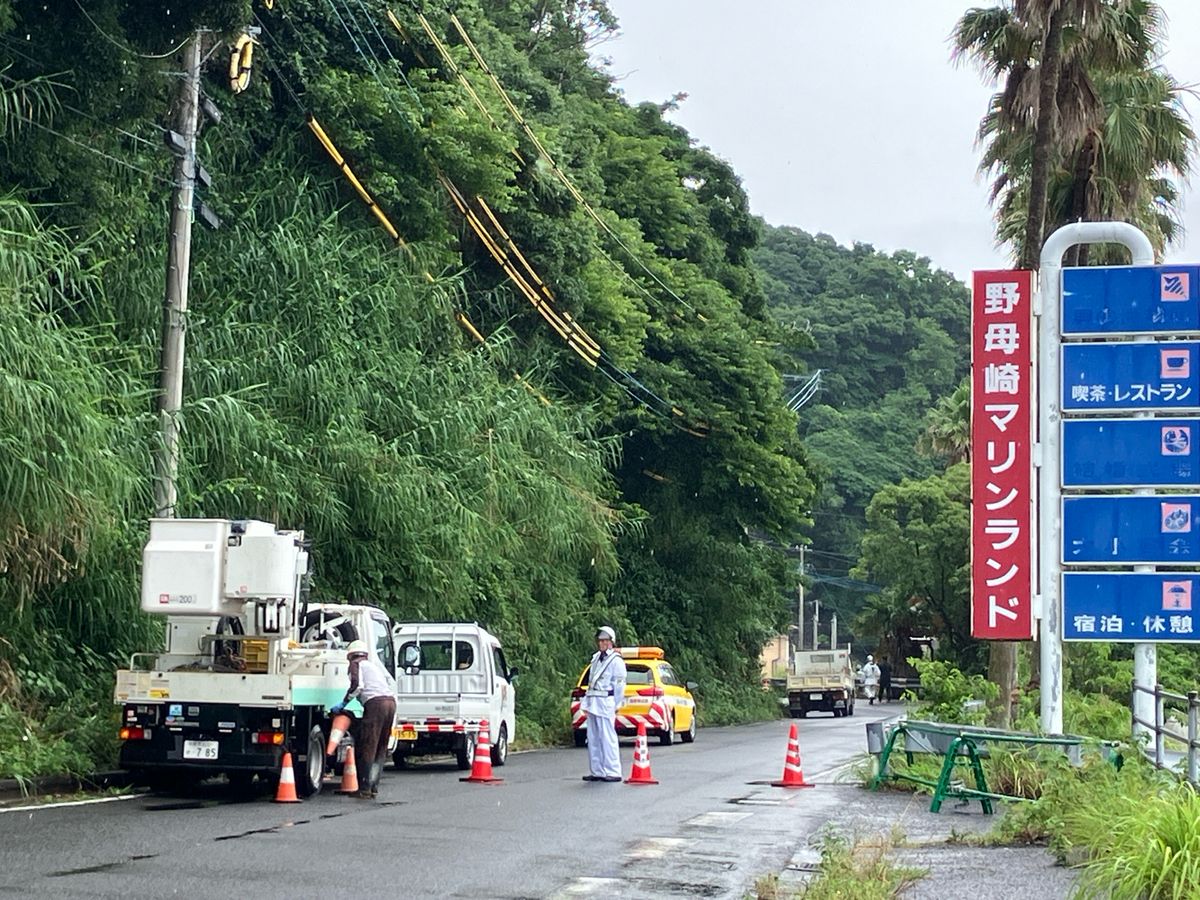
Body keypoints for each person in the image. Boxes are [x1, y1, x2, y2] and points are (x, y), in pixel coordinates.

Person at [330, 640, 397, 799]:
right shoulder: (373, 666)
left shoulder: (356, 664)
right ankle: (373, 786)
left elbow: (357, 685)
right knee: (381, 745)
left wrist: (344, 702)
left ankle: (364, 788)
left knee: (368, 745)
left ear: (350, 655)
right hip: (390, 703)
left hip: (376, 704)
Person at [580, 625, 627, 783]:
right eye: (600, 640)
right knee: (593, 737)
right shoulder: (595, 659)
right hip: (593, 701)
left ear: (611, 642)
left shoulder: (616, 661)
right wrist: (586, 703)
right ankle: (597, 770)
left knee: (607, 737)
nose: (602, 643)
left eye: (605, 640)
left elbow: (619, 686)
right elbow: (591, 682)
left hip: (606, 702)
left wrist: (615, 704)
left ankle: (613, 770)